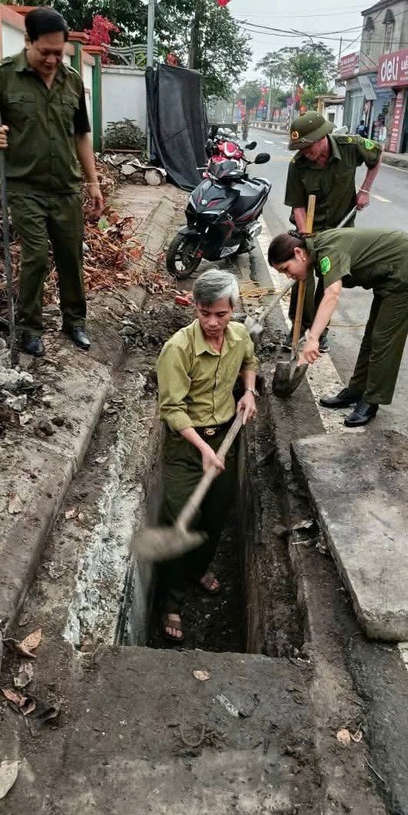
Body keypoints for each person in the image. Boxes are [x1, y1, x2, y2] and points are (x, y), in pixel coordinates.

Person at [0, 6, 104, 358]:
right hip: (24, 186)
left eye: (58, 53)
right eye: (44, 52)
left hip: (65, 186)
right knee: (34, 257)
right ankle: (30, 328)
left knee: (70, 257)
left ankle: (74, 322)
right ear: (27, 41)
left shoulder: (72, 80)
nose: (51, 60)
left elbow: (81, 135)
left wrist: (92, 183)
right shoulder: (4, 76)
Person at [155, 269, 259, 642]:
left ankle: (199, 568)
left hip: (224, 438)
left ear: (233, 309)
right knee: (181, 518)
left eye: (221, 314)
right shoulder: (178, 349)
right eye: (204, 314)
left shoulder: (240, 335)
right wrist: (201, 449)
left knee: (216, 514)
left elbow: (250, 361)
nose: (213, 323)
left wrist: (247, 392)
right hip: (187, 444)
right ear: (194, 308)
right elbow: (172, 409)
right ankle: (171, 601)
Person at [268, 227, 408, 427]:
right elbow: (324, 295)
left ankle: (372, 400)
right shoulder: (318, 253)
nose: (288, 275)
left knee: (383, 339)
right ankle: (356, 390)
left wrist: (313, 339)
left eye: (286, 268)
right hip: (390, 273)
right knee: (371, 336)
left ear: (299, 253)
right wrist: (313, 334)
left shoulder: (328, 252)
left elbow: (332, 294)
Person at [283, 111, 382, 353]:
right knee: (302, 276)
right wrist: (306, 238)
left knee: (329, 282)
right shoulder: (298, 165)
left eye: (307, 147)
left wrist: (365, 190)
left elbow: (377, 156)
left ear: (321, 137)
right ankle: (298, 329)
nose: (305, 152)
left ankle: (320, 332)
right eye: (300, 148)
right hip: (309, 227)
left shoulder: (351, 146)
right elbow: (297, 205)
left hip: (341, 230)